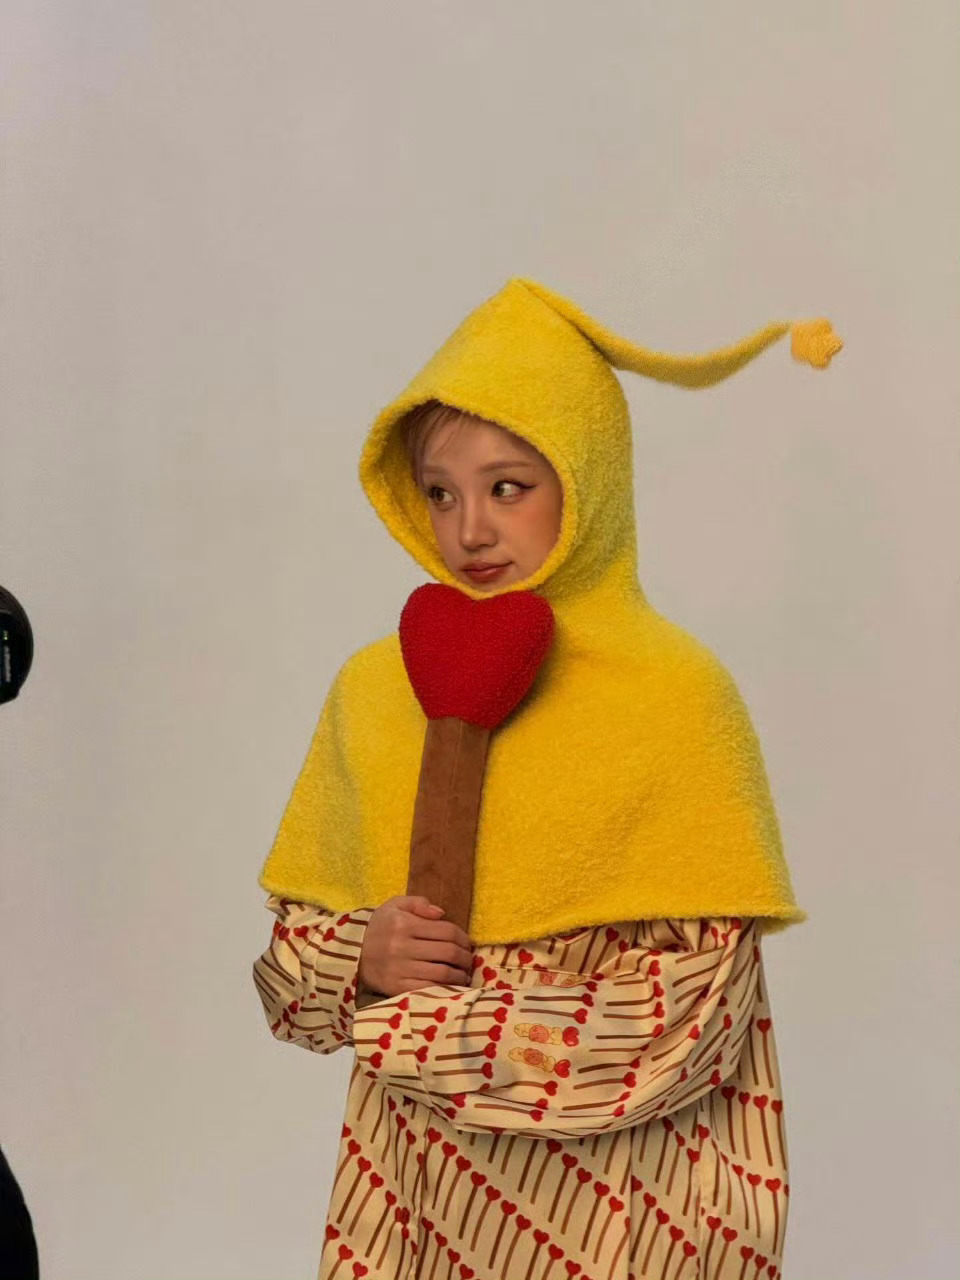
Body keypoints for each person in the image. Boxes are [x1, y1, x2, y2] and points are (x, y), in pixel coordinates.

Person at [253, 277, 841, 1279]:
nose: (469, 530)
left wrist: (421, 1030)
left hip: (625, 1209)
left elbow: (693, 1017)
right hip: (408, 1205)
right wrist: (362, 955)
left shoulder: (675, 694)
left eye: (508, 486)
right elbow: (287, 980)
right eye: (441, 491)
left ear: (589, 476)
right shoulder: (374, 690)